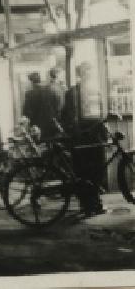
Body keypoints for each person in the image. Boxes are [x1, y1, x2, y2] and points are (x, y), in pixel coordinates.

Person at [61, 63, 106, 216]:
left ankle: (95, 203)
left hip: (93, 137)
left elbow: (100, 113)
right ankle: (87, 205)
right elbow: (68, 117)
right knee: (83, 173)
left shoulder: (94, 91)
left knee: (95, 171)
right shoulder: (73, 92)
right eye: (86, 72)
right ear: (80, 74)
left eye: (90, 72)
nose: (89, 75)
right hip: (82, 138)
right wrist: (76, 133)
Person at [21, 72, 60, 140]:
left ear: (31, 82)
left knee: (41, 147)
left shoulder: (29, 94)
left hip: (37, 128)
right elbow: (57, 107)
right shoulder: (50, 91)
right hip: (51, 125)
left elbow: (26, 113)